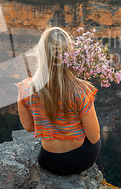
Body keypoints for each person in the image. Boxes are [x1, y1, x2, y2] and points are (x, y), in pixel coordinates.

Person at [15, 27, 101, 176]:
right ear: (69, 54)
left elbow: (29, 127)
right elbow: (94, 137)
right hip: (79, 161)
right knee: (100, 136)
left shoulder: (25, 89)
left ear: (41, 53)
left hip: (49, 161)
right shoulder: (81, 90)